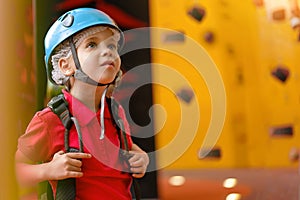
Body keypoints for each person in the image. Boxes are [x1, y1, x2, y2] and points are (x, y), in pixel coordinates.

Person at [15, 7, 149, 200]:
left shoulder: (115, 113)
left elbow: (127, 148)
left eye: (111, 46)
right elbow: (14, 172)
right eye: (92, 45)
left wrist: (141, 157)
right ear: (65, 65)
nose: (107, 52)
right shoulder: (49, 121)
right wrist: (49, 170)